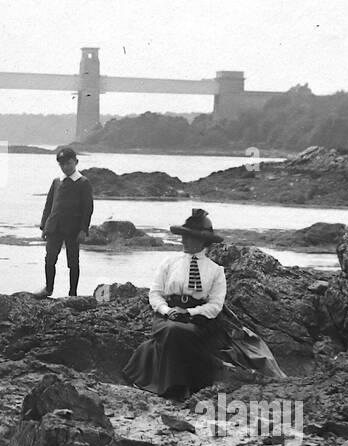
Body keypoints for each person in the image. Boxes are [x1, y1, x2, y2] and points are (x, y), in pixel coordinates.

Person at [121, 208, 286, 401]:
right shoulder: (168, 263)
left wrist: (189, 312)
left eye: (189, 237)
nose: (183, 240)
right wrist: (167, 311)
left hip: (200, 321)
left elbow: (215, 305)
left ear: (202, 241)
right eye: (183, 236)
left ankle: (171, 387)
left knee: (176, 332)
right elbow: (155, 294)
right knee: (172, 329)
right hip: (166, 315)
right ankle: (177, 387)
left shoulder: (216, 271)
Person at [34, 146, 93, 298]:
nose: (65, 167)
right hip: (54, 227)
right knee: (49, 258)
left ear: (76, 162)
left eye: (68, 163)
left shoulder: (83, 182)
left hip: (73, 229)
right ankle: (48, 289)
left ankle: (72, 293)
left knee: (72, 262)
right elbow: (49, 206)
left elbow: (88, 208)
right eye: (62, 164)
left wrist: (83, 229)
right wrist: (44, 227)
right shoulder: (56, 182)